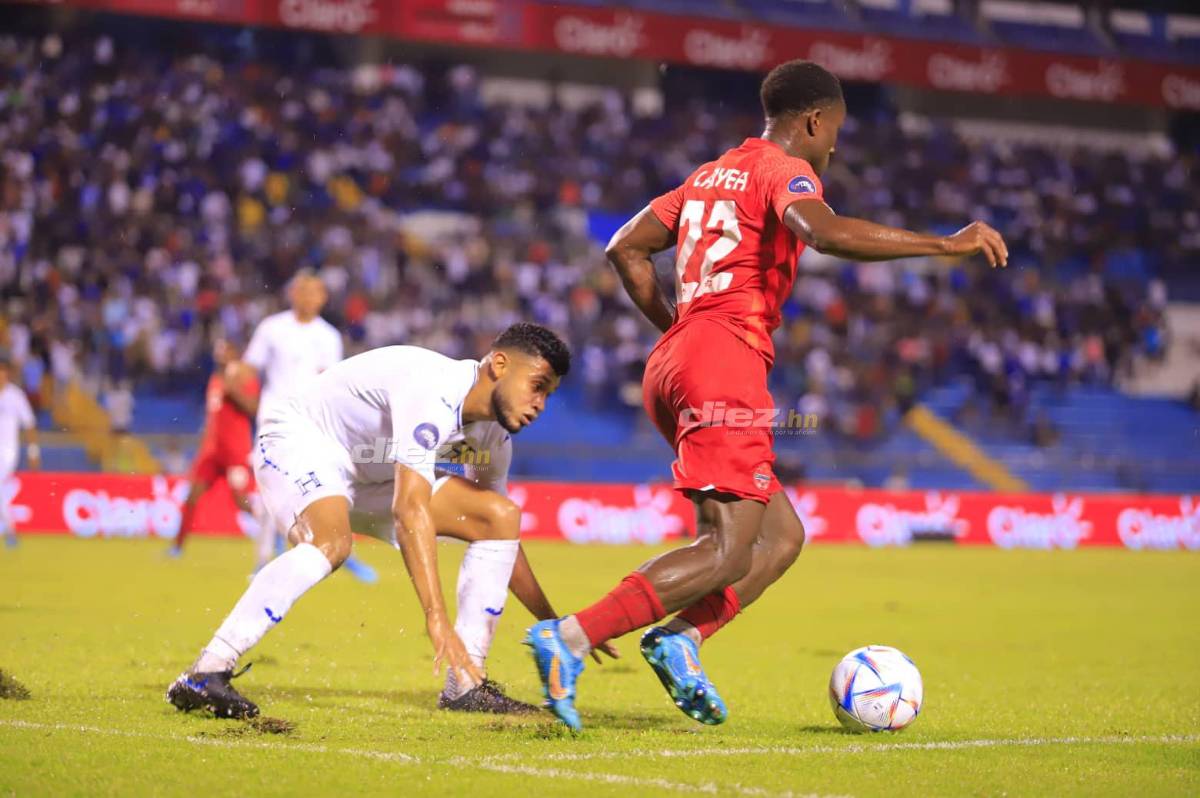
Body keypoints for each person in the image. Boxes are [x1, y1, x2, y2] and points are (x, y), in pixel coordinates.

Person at [526, 59, 1008, 730]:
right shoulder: (785, 171)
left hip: (680, 359)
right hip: (722, 358)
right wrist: (942, 243)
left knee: (780, 538)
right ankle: (569, 638)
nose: (833, 146)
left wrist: (681, 332)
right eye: (833, 131)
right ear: (812, 121)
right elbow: (823, 231)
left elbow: (624, 249)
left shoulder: (707, 176)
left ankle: (681, 639)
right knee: (726, 549)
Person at [166, 323, 603, 718]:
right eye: (537, 386)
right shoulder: (436, 388)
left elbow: (502, 539)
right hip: (302, 441)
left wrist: (556, 622)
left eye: (549, 394)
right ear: (499, 364)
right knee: (331, 545)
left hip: (374, 476)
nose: (541, 404)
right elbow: (408, 509)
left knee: (500, 515)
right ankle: (207, 670)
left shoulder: (492, 437)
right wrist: (436, 616)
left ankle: (466, 685)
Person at [242, 270, 376, 582]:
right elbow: (249, 370)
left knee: (331, 482)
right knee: (268, 490)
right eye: (302, 291)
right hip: (273, 420)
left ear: (323, 298)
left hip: (311, 422)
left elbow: (330, 383)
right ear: (293, 295)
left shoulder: (328, 336)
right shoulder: (272, 328)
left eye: (314, 293)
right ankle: (263, 560)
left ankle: (339, 548)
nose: (308, 298)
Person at [167, 339, 262, 557]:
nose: (219, 355)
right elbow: (213, 418)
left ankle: (272, 531)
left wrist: (234, 390)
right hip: (212, 452)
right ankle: (177, 548)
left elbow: (254, 408)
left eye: (224, 351)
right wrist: (204, 447)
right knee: (192, 496)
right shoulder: (215, 380)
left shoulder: (245, 378)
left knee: (241, 502)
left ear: (234, 353)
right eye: (217, 351)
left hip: (235, 452)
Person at [0, 356, 39, 548]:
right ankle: (10, 530)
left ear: (7, 373)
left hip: (7, 451)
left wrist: (33, 452)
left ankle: (10, 531)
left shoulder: (15, 396)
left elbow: (29, 424)